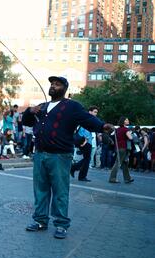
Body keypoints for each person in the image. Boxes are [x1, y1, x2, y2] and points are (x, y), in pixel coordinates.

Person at [22, 76, 113, 239]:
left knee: (60, 190)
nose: (53, 86)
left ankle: (61, 224)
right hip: (40, 154)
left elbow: (87, 119)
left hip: (60, 156)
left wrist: (101, 126)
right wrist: (30, 111)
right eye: (51, 84)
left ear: (64, 89)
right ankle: (41, 220)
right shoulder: (43, 107)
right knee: (40, 190)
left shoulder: (72, 106)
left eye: (57, 84)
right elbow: (26, 122)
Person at [70, 106, 99, 182]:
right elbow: (83, 130)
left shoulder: (89, 119)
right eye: (95, 112)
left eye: (96, 112)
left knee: (87, 158)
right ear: (90, 112)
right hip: (85, 141)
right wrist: (85, 141)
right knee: (87, 158)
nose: (96, 114)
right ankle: (79, 173)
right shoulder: (87, 119)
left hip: (86, 141)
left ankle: (76, 170)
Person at [109, 117, 134, 184]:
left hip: (118, 147)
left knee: (124, 163)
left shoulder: (118, 129)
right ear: (123, 121)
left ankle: (127, 178)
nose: (128, 120)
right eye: (126, 120)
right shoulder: (126, 129)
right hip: (123, 147)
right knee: (118, 163)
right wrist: (131, 134)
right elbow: (130, 138)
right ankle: (112, 178)